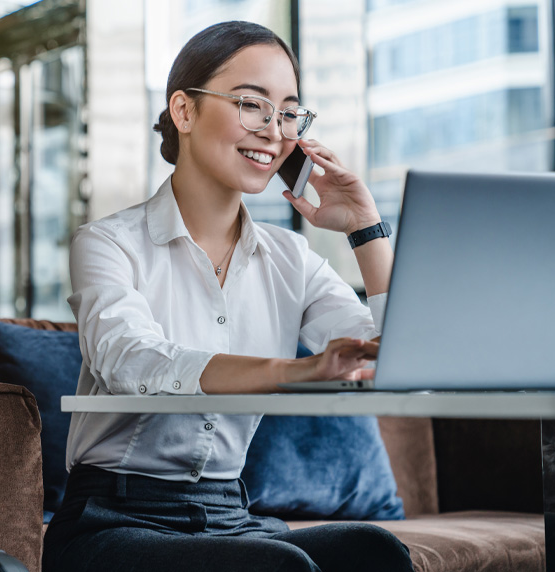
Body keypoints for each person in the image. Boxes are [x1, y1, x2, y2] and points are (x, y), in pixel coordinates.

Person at [43, 20, 413, 572]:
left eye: (287, 112)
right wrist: (296, 371)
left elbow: (396, 357)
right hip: (114, 520)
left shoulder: (292, 259)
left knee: (373, 552)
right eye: (251, 104)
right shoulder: (107, 243)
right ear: (184, 112)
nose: (273, 129)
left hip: (229, 513)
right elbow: (130, 362)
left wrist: (365, 227)